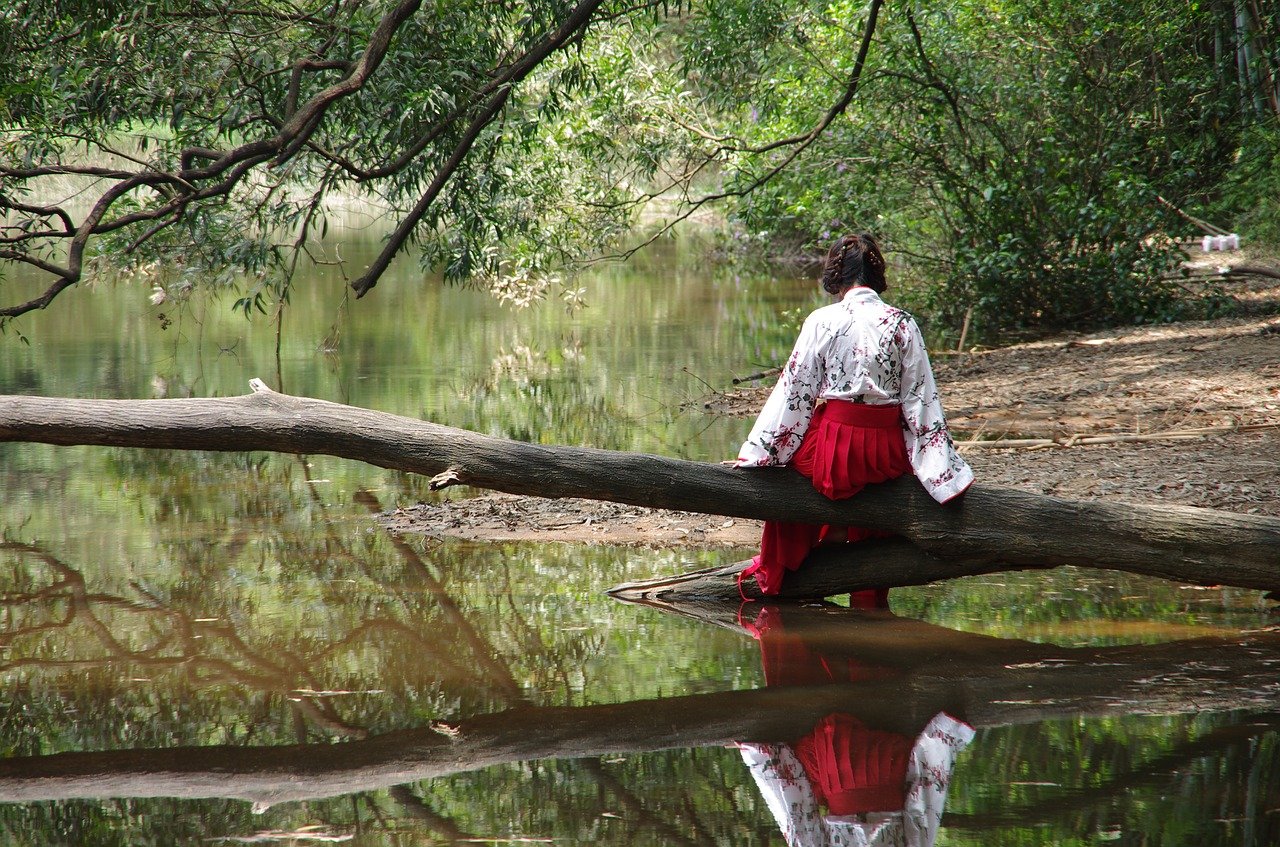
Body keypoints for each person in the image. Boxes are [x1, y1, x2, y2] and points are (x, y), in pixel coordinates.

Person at [733, 234, 973, 599]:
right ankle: (864, 585)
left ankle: (783, 568)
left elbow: (796, 394)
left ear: (836, 276)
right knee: (883, 493)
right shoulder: (903, 322)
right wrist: (940, 471)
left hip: (833, 451)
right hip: (884, 455)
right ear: (875, 275)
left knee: (787, 482)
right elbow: (920, 400)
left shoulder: (822, 320)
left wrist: (761, 454)